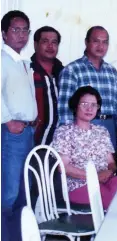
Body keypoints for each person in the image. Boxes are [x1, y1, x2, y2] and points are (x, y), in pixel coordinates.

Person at [51, 86, 117, 210]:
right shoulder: (64, 132)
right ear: (75, 106)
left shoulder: (102, 131)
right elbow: (63, 167)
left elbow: (111, 162)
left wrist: (110, 172)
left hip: (105, 180)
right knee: (114, 202)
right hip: (79, 185)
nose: (89, 108)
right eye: (84, 104)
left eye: (94, 105)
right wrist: (95, 176)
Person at [58, 26, 117, 148]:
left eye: (105, 42)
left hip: (109, 126)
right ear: (86, 42)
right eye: (96, 41)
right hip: (82, 127)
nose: (101, 46)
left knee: (108, 165)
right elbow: (64, 110)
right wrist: (69, 138)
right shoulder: (72, 70)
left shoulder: (112, 72)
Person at [1, 10, 36, 241]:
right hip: (12, 132)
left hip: (26, 131)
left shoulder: (22, 61)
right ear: (4, 34)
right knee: (10, 190)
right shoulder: (2, 60)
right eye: (16, 29)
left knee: (25, 188)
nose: (21, 34)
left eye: (25, 30)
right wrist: (7, 120)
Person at [31, 26, 64, 145]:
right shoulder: (27, 71)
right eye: (45, 42)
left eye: (54, 42)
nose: (50, 46)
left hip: (59, 144)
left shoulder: (65, 73)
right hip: (32, 141)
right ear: (35, 45)